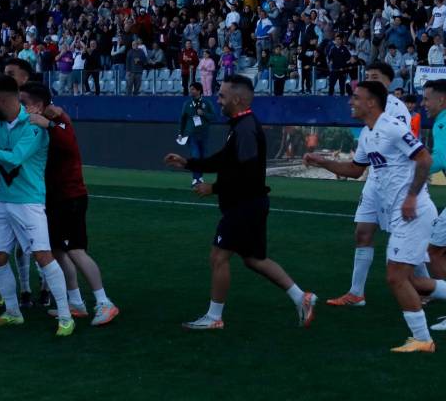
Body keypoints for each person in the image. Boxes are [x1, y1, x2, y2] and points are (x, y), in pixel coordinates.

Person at [164, 74, 317, 330]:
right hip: (251, 204)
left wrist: (214, 187)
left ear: (237, 98)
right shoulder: (239, 125)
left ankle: (214, 318)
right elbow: (225, 160)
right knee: (254, 258)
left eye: (222, 95)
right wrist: (188, 163)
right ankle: (302, 298)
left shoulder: (245, 128)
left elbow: (245, 172)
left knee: (218, 257)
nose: (218, 100)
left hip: (244, 205)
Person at [304, 81, 436, 353]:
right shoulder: (367, 133)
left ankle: (423, 340)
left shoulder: (392, 127)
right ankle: (422, 338)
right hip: (400, 215)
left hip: (414, 212)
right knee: (414, 281)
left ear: (372, 103)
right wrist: (322, 161)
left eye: (356, 98)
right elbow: (354, 169)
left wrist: (411, 196)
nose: (351, 102)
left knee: (396, 277)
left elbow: (424, 159)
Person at [0, 75, 74, 336]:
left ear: (1, 98)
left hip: (29, 203)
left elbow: (15, 159)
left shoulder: (33, 127)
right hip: (4, 201)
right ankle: (12, 311)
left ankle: (65, 316)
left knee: (43, 256)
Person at [324, 62, 426, 307]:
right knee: (363, 232)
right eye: (367, 76)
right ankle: (356, 293)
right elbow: (361, 161)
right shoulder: (367, 111)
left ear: (389, 82)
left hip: (397, 183)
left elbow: (407, 149)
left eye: (376, 76)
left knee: (405, 239)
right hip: (375, 180)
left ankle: (425, 287)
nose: (370, 79)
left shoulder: (395, 109)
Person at [24, 82, 120, 326]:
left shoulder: (59, 118)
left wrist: (50, 124)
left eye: (24, 103)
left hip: (70, 196)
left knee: (76, 249)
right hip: (54, 197)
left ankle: (104, 302)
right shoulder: (46, 119)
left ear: (36, 105)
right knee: (57, 250)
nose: (20, 108)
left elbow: (68, 144)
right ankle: (75, 302)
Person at [419, 79, 446, 332]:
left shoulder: (442, 121)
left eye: (427, 98)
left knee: (434, 251)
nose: (423, 103)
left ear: (442, 100)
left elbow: (439, 159)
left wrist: (415, 162)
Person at [178, 82, 213, 185]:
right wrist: (181, 133)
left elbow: (214, 117)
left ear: (199, 90)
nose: (191, 91)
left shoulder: (206, 103)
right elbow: (183, 119)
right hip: (191, 134)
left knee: (202, 157)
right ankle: (195, 178)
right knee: (195, 156)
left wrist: (204, 114)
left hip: (203, 134)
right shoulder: (187, 104)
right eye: (190, 89)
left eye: (193, 89)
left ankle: (200, 177)